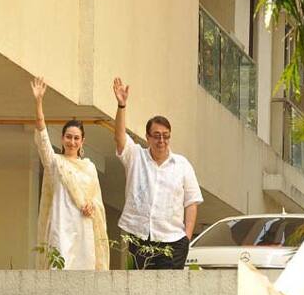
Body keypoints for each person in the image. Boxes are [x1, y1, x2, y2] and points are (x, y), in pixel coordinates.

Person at [112, 77, 203, 269]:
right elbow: (120, 137)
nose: (161, 140)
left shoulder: (182, 165)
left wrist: (186, 237)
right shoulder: (136, 156)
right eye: (157, 135)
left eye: (166, 136)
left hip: (173, 240)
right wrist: (121, 106)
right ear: (148, 137)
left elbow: (191, 202)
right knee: (140, 292)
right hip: (140, 237)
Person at [31, 77, 109, 270]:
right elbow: (41, 133)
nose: (72, 142)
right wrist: (39, 101)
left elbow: (96, 200)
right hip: (60, 226)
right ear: (62, 138)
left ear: (82, 141)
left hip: (84, 229)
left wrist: (92, 206)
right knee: (58, 272)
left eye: (76, 138)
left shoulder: (89, 168)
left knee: (84, 276)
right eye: (68, 137)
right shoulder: (54, 162)